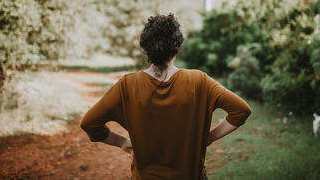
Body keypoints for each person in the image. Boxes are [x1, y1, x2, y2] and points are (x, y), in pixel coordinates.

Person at [80, 13, 252, 180]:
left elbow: (90, 123)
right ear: (177, 46)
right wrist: (209, 138)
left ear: (146, 48)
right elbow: (241, 110)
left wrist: (122, 142)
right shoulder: (199, 81)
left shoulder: (126, 85)